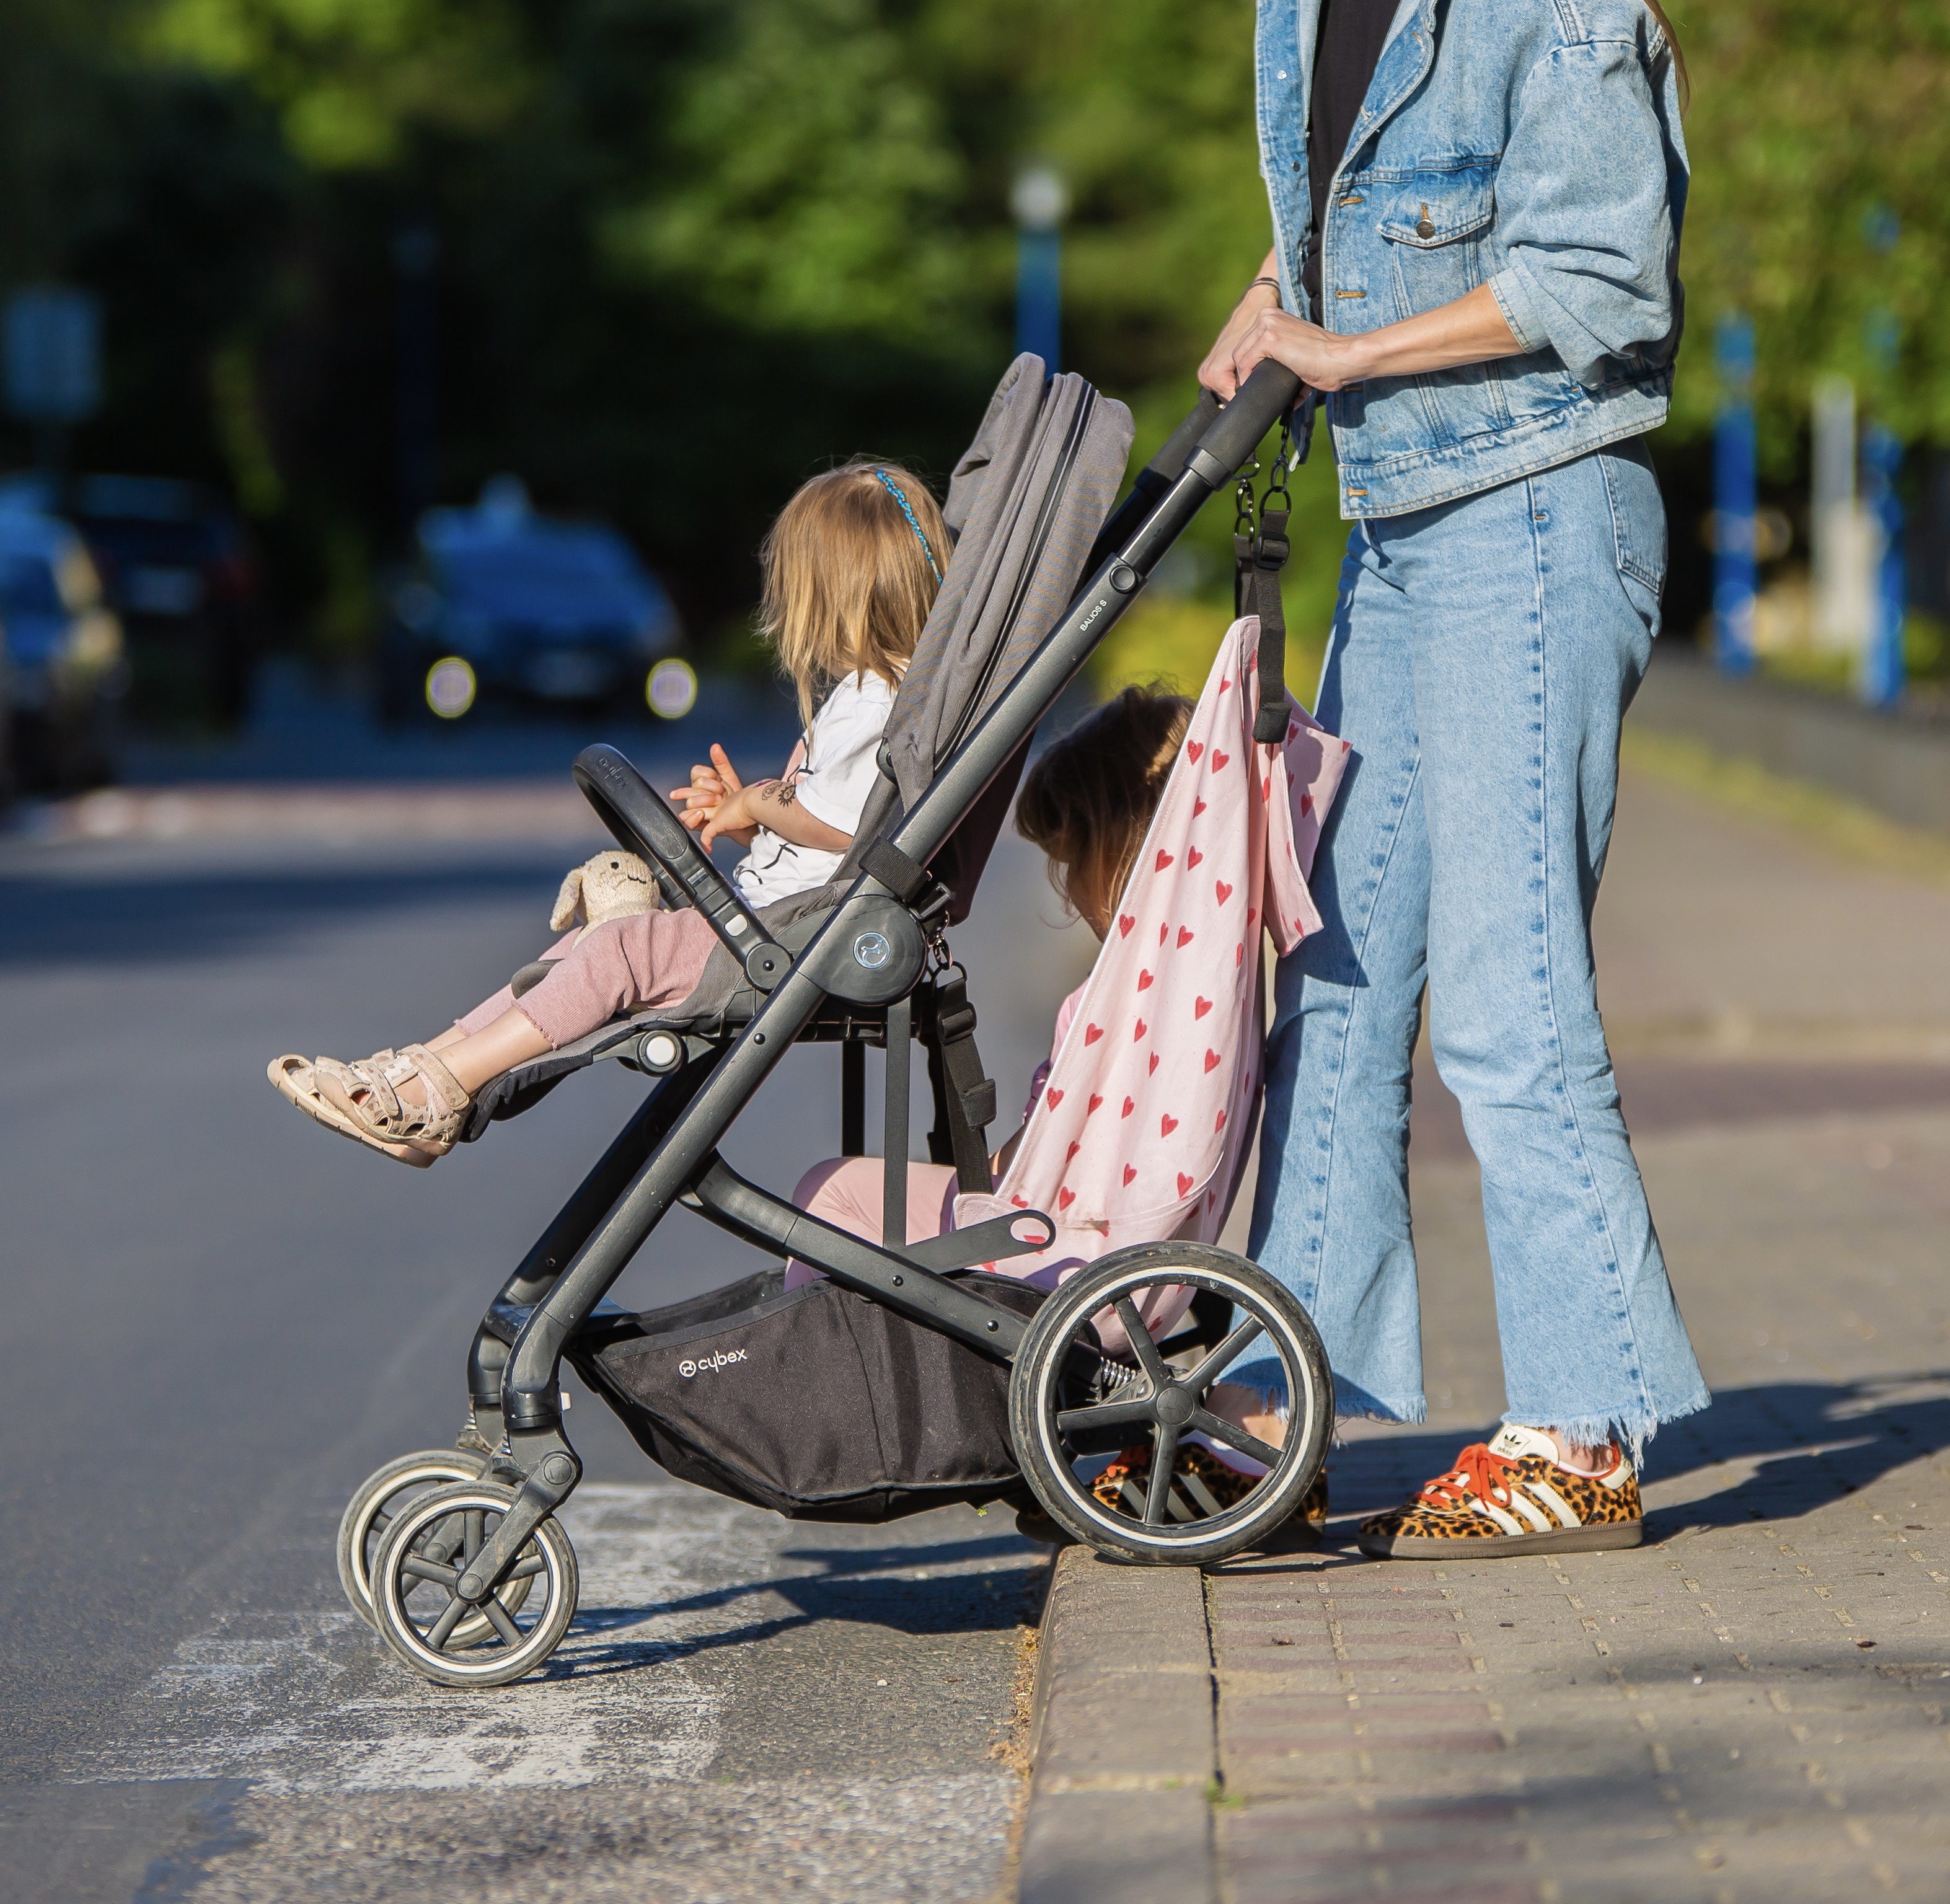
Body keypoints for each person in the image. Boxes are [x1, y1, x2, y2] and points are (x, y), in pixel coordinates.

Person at [1198, 0, 1708, 1557]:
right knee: (1334, 979)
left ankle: (1576, 1432)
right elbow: (1349, 215)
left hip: (1537, 510)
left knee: (1510, 998)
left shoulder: (1556, 10)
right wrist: (1279, 292)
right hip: (1404, 521)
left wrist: (1346, 348)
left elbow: (1600, 279)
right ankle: (1280, 1408)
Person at [267, 461, 947, 1168]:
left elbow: (839, 825)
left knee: (618, 951)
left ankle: (443, 1086)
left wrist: (759, 801)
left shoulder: (875, 703)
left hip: (782, 941)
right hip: (781, 919)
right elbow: (837, 832)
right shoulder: (870, 698)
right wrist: (753, 826)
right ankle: (425, 1072)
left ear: (834, 592)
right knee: (600, 940)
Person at [786, 685, 1307, 1523]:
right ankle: (849, 1386)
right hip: (1090, 1243)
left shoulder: (1141, 997)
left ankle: (839, 1406)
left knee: (831, 1196)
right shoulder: (1193, 981)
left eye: (1072, 860)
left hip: (1069, 1266)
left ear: (1126, 843)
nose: (1064, 890)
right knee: (838, 1186)